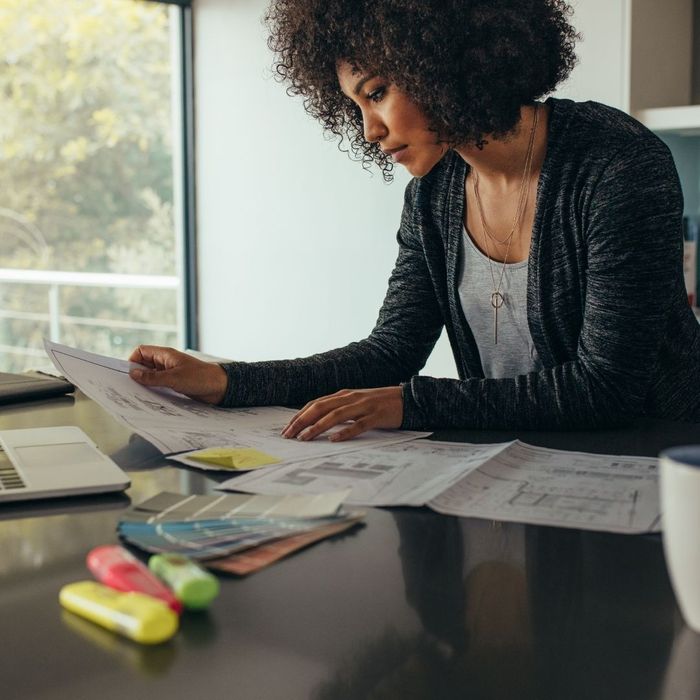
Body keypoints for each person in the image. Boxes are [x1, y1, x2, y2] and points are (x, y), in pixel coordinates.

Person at [129, 0, 700, 440]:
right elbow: (390, 352)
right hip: (522, 463)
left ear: (447, 59)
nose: (368, 130)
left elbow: (607, 387)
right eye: (355, 105)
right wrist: (224, 380)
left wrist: (410, 403)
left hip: (654, 471)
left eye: (376, 92)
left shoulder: (618, 163)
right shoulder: (435, 198)